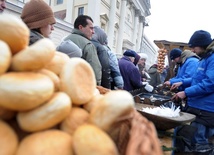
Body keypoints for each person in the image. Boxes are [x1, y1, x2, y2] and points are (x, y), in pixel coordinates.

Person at [172, 30, 214, 154]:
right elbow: (197, 78)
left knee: (201, 145)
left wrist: (186, 92)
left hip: (205, 111)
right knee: (193, 142)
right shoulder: (205, 58)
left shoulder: (212, 58)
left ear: (202, 44)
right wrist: (182, 83)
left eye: (194, 47)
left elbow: (210, 84)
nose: (193, 51)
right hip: (198, 108)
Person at [63, 15, 102, 86]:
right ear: (80, 27)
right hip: (81, 87)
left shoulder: (64, 40)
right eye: (91, 28)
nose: (93, 32)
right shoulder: (88, 45)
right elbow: (95, 70)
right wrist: (97, 86)